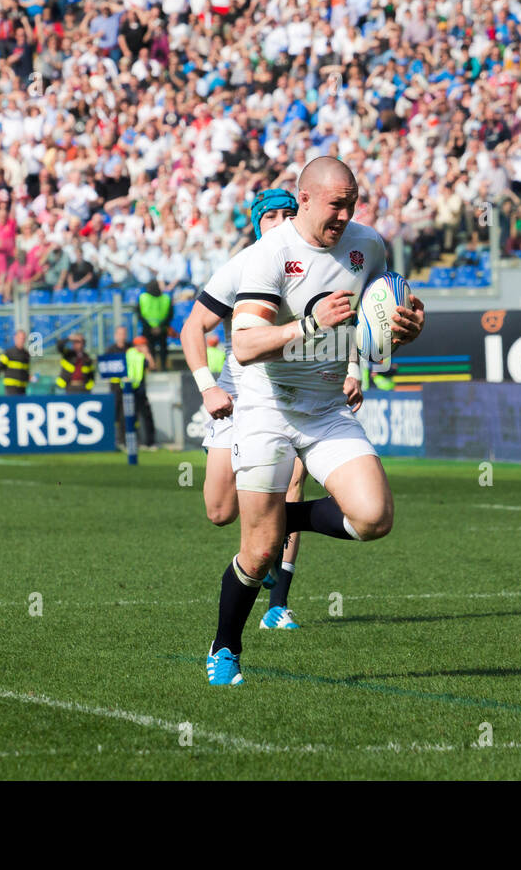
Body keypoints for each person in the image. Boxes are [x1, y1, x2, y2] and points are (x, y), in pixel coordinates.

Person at [204, 158, 425, 686]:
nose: (345, 215)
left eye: (352, 204)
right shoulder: (268, 255)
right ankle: (225, 647)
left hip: (326, 409)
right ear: (303, 199)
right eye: (335, 204)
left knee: (374, 518)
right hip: (267, 408)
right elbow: (245, 343)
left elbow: (384, 313)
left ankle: (287, 517)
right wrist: (307, 324)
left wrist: (410, 324)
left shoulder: (367, 244)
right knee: (257, 554)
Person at [181, 188, 309, 633]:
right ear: (257, 224)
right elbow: (193, 326)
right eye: (269, 215)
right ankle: (267, 534)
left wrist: (353, 371)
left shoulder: (317, 262)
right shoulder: (243, 266)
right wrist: (206, 387)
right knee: (219, 511)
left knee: (293, 479)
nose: (279, 221)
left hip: (295, 389)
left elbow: (350, 321)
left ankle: (278, 602)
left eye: (288, 213)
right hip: (237, 390)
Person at [103, 325, 156, 448]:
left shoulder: (133, 351)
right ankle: (121, 440)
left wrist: (147, 353)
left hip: (138, 388)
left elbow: (151, 366)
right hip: (121, 388)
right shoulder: (119, 351)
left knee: (140, 414)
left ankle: (143, 441)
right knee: (121, 415)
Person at [138, 279, 173, 370]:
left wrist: (151, 327)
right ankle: (161, 367)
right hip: (160, 329)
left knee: (154, 348)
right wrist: (160, 327)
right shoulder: (166, 298)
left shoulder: (143, 297)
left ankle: (154, 367)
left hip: (149, 329)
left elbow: (139, 314)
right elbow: (170, 315)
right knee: (161, 349)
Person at [0, 329, 31, 395]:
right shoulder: (8, 353)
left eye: (23, 338)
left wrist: (29, 378)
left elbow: (26, 371)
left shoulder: (26, 354)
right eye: (20, 338)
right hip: (11, 387)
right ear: (15, 338)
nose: (21, 340)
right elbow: (0, 366)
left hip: (22, 387)